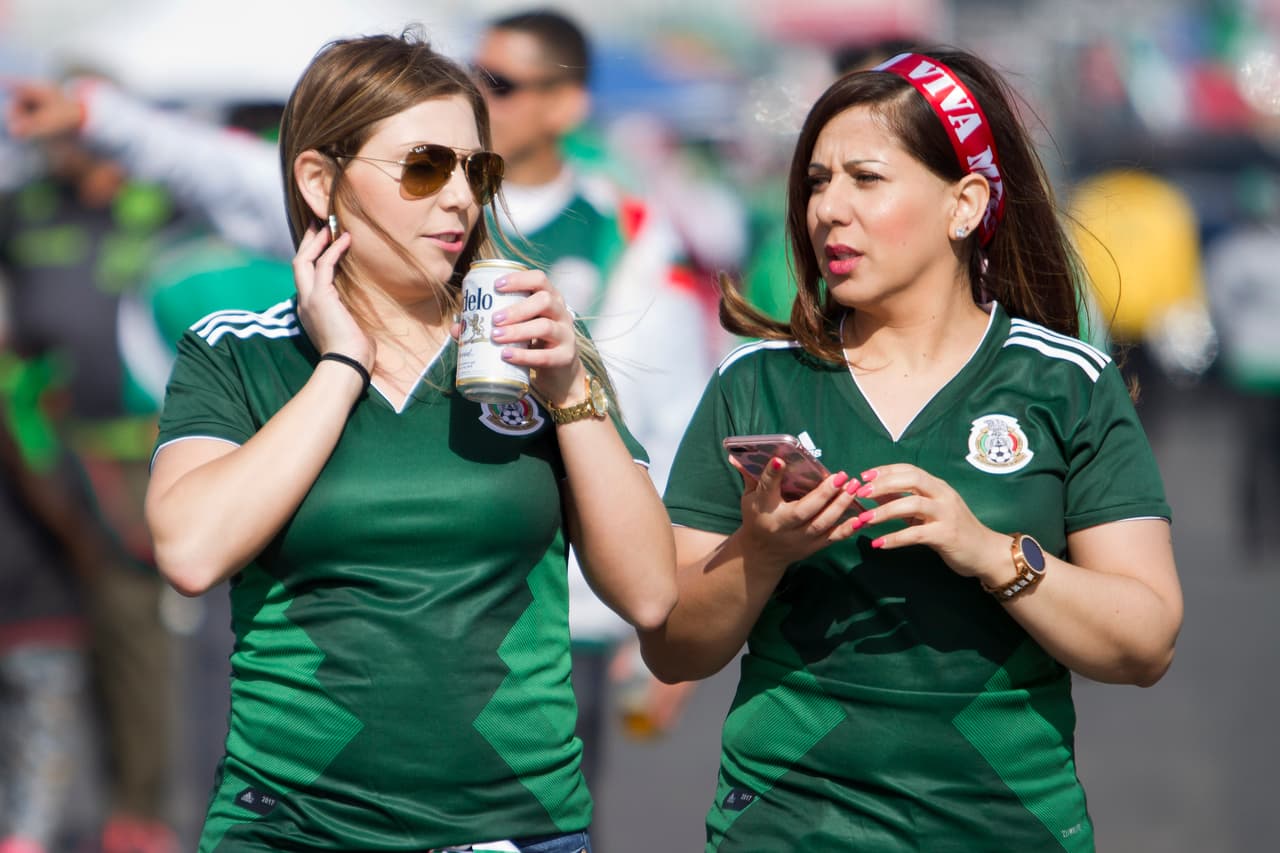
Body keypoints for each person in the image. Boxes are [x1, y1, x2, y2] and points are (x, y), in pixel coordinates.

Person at [143, 30, 675, 853]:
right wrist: (342, 365)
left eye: (478, 169)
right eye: (425, 167)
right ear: (320, 181)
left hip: (516, 828)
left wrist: (574, 392)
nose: (460, 197)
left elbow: (647, 593)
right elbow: (190, 550)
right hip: (291, 828)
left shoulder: (538, 348)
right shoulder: (239, 350)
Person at [640, 48, 1183, 851]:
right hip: (787, 826)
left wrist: (991, 551)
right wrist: (759, 550)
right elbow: (674, 645)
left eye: (865, 179)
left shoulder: (1067, 382)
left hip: (1004, 826)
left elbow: (1146, 640)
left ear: (964, 204)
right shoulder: (755, 384)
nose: (829, 209)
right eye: (817, 182)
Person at [472, 9, 707, 780]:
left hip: (560, 618)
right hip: (431, 597)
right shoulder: (430, 215)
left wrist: (667, 621)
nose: (477, 99)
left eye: (499, 84)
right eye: (469, 78)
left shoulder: (628, 230)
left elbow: (673, 425)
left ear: (565, 104)